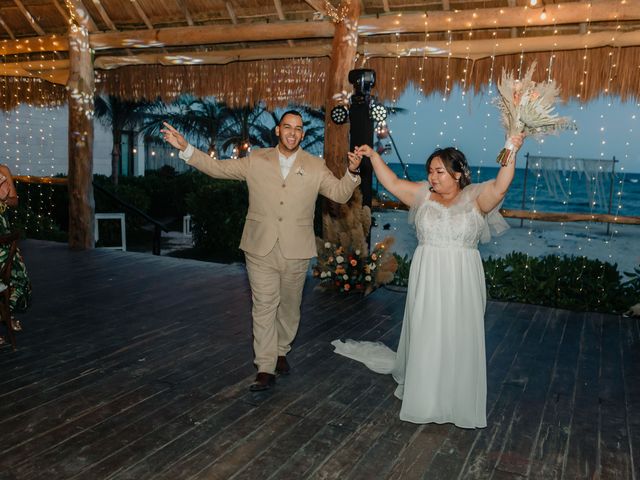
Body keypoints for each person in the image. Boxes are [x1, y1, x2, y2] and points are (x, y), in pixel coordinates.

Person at [161, 111, 362, 391]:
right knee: (264, 305)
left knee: (290, 307)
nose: (292, 132)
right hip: (259, 247)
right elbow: (218, 168)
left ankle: (282, 349)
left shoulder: (316, 166)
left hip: (296, 249)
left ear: (303, 135)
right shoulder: (256, 160)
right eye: (287, 127)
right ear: (278, 130)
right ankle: (265, 366)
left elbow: (340, 194)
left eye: (298, 129)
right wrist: (186, 148)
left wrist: (352, 173)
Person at [335, 135, 524, 428]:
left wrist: (511, 149)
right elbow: (393, 184)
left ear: (458, 173)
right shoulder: (422, 194)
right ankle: (424, 394)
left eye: (439, 171)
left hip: (462, 277)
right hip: (428, 275)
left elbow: (502, 184)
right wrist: (373, 156)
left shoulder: (476, 197)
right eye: (430, 171)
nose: (432, 177)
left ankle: (455, 394)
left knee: (458, 332)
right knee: (428, 329)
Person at [0, 165, 31, 343]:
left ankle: (6, 315)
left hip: (4, 235)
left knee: (19, 279)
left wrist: (4, 199)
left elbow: (15, 201)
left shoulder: (3, 170)